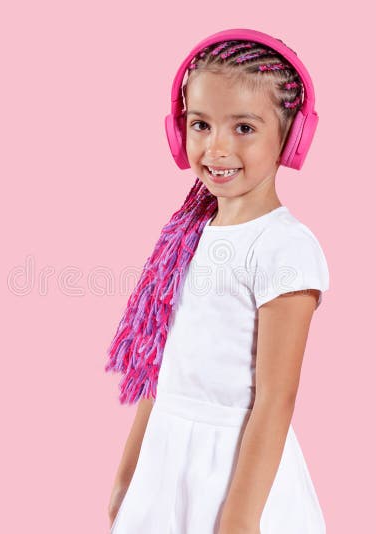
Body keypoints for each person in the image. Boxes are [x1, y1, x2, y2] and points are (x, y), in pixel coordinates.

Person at [104, 28, 330, 534]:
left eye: (244, 128)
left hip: (233, 469)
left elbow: (276, 397)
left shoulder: (285, 248)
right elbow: (162, 368)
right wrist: (129, 471)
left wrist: (240, 519)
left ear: (291, 138)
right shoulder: (186, 234)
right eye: (201, 124)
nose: (216, 147)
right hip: (167, 460)